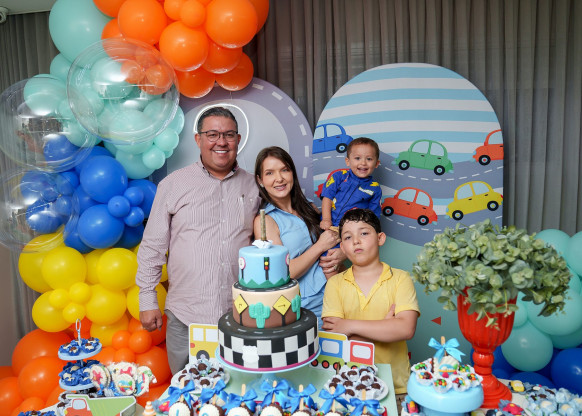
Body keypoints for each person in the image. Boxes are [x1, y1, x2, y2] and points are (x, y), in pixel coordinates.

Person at [136, 106, 260, 374]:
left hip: (242, 315)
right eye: (212, 134)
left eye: (228, 135)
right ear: (198, 139)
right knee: (186, 390)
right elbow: (153, 246)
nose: (221, 142)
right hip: (186, 316)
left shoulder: (255, 186)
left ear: (238, 139)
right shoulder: (173, 184)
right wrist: (147, 300)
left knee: (243, 389)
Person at [321, 208, 420, 400]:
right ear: (342, 247)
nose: (356, 241)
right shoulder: (335, 284)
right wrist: (386, 327)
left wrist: (349, 326)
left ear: (380, 238)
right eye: (348, 237)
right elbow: (335, 341)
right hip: (349, 386)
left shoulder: (401, 279)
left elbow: (406, 329)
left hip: (397, 388)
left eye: (364, 233)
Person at [254, 146, 344, 319]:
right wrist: (320, 246)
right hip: (307, 307)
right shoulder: (265, 222)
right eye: (270, 173)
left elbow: (333, 241)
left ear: (292, 173)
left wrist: (342, 254)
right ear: (260, 180)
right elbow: (281, 273)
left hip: (338, 293)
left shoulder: (309, 206)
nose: (279, 178)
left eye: (284, 170)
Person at [320, 137, 382, 231]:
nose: (363, 163)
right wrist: (326, 219)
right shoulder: (338, 176)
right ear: (348, 161)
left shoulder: (375, 188)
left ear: (376, 163)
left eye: (369, 159)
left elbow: (374, 215)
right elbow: (327, 197)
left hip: (353, 231)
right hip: (329, 227)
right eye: (357, 158)